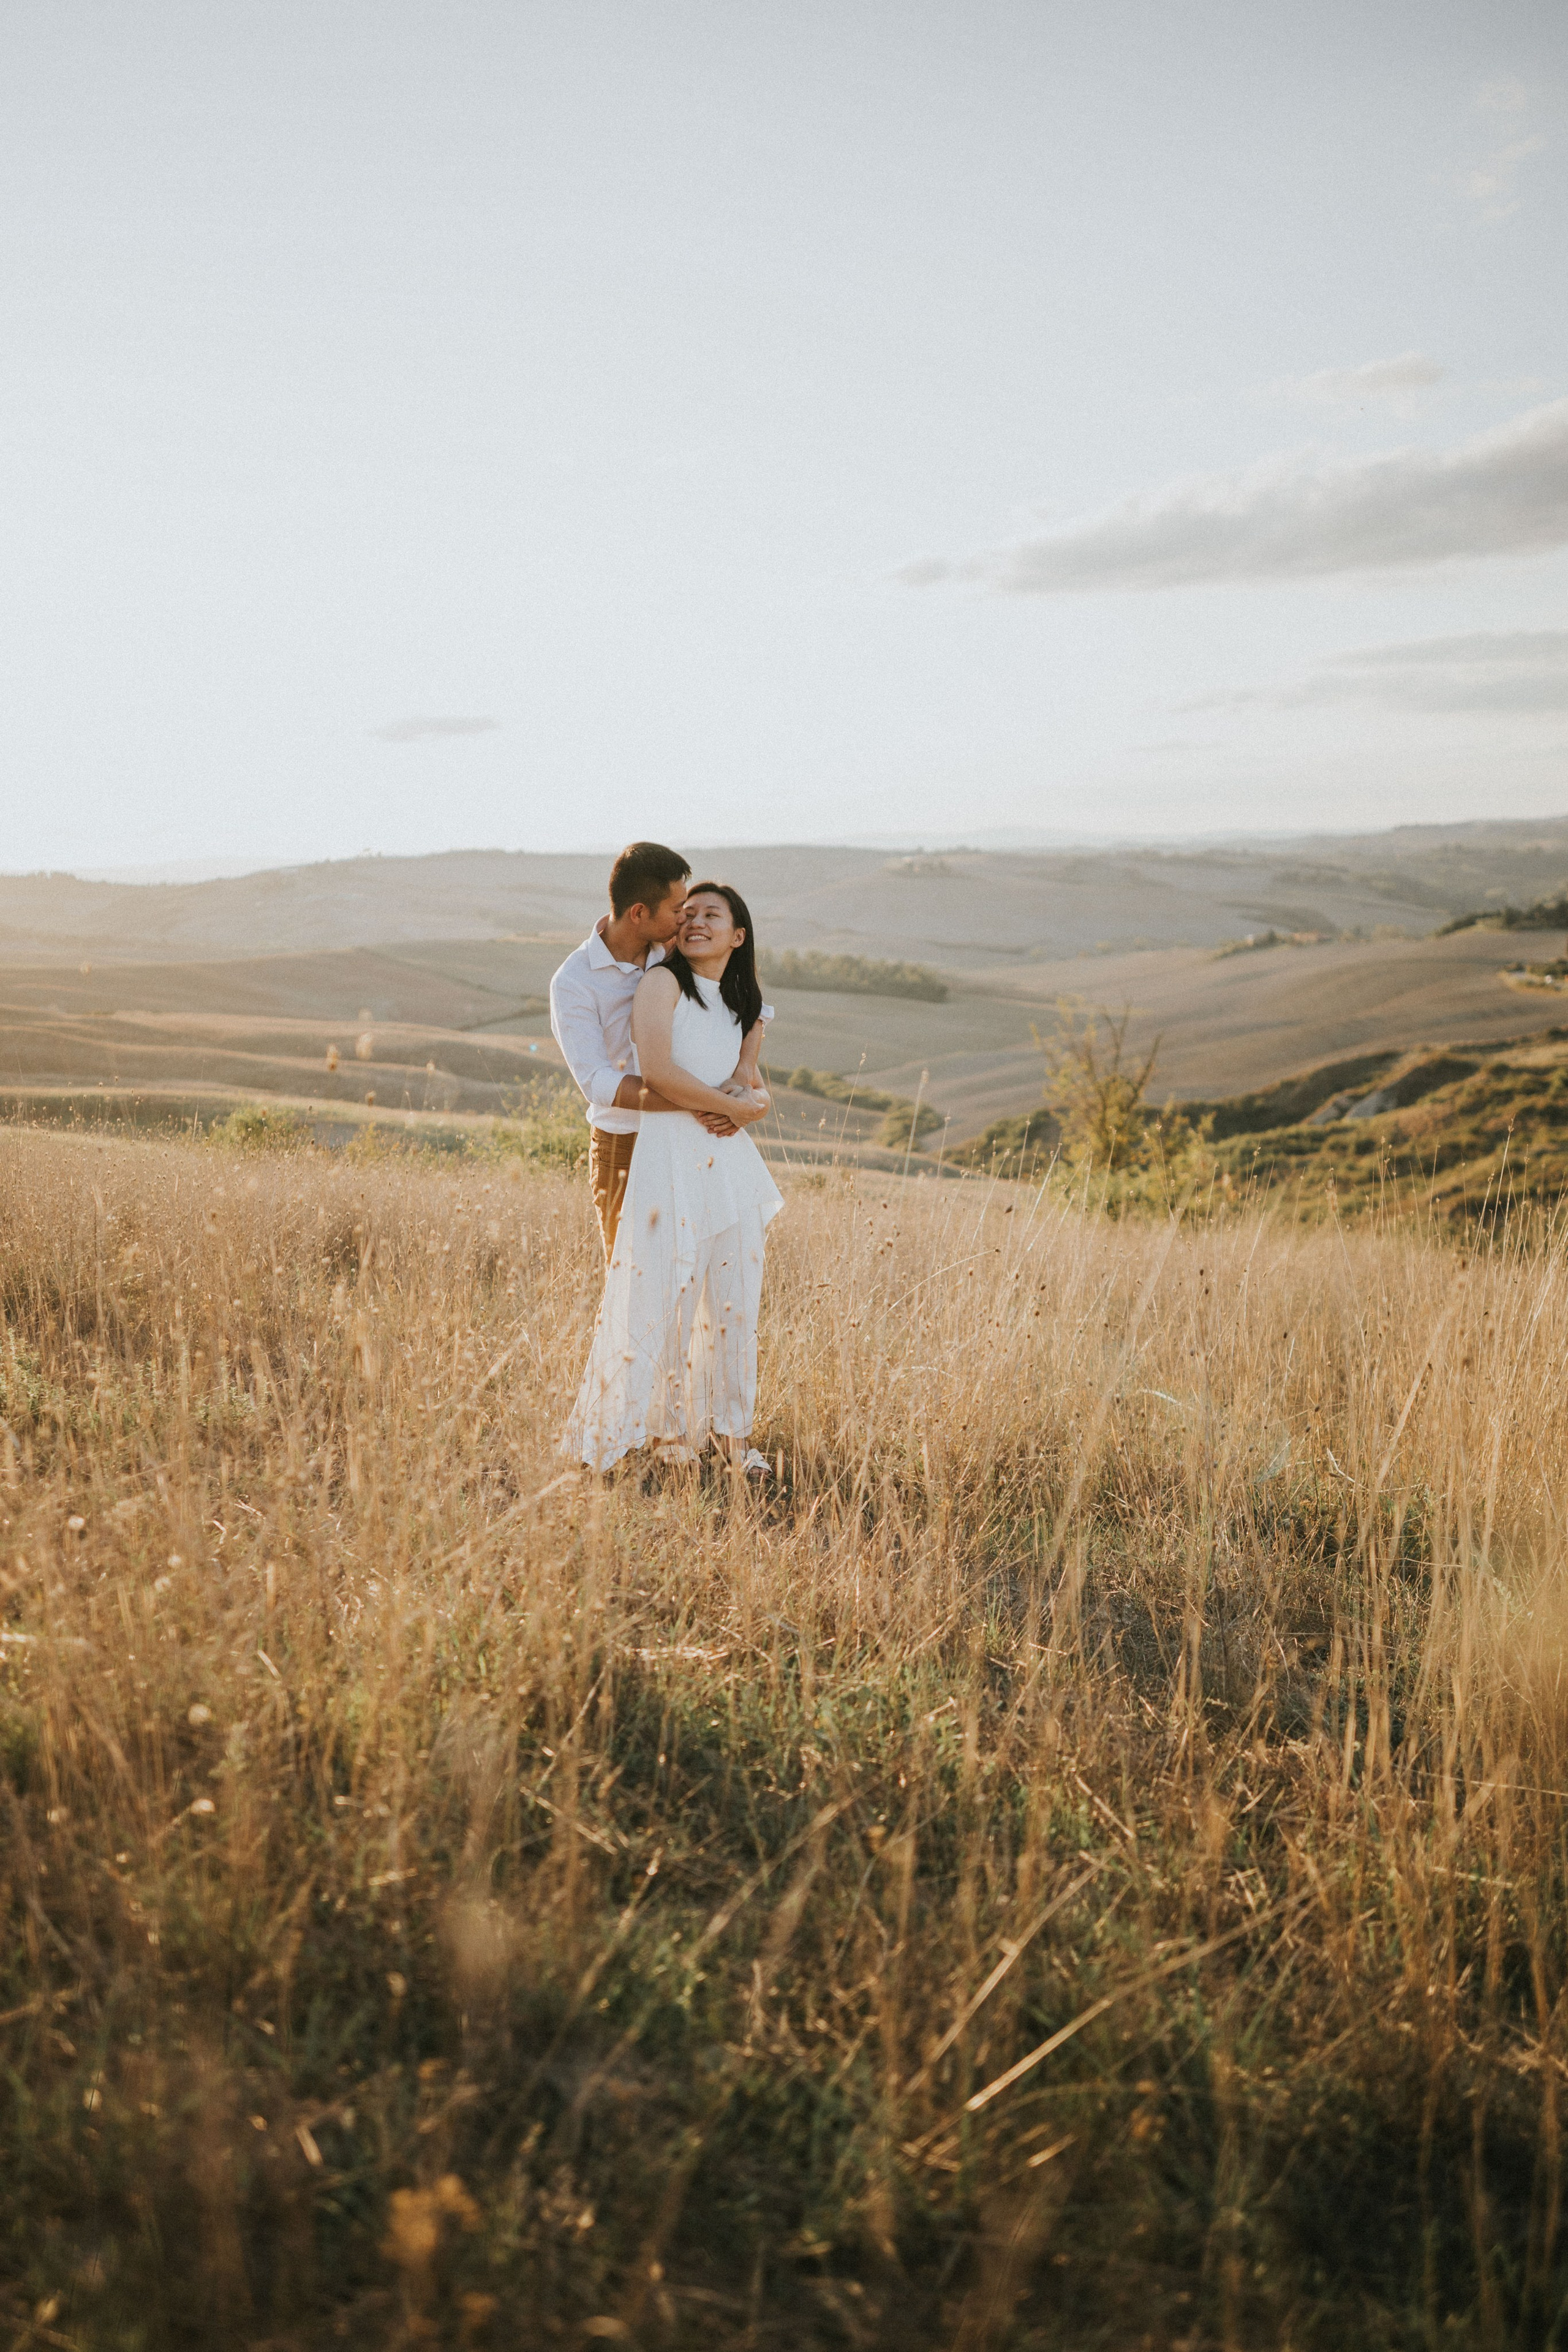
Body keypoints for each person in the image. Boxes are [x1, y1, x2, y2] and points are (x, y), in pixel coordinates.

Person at [562, 881, 783, 1478]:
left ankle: (734, 1436)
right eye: (687, 914)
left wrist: (752, 1105)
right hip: (668, 1156)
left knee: (736, 1304)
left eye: (712, 914)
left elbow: (751, 1080)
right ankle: (665, 1430)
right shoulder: (663, 983)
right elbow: (657, 1071)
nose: (695, 921)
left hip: (730, 1165)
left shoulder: (744, 1002)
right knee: (669, 1298)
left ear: (738, 936)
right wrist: (725, 1104)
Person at [549, 842, 768, 1255]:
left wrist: (741, 1080)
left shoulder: (673, 951)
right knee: (631, 1280)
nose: (685, 918)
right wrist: (709, 1104)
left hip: (692, 1140)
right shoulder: (573, 982)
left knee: (696, 1272)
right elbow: (598, 1084)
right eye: (677, 909)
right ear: (639, 913)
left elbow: (750, 1008)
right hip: (625, 1145)